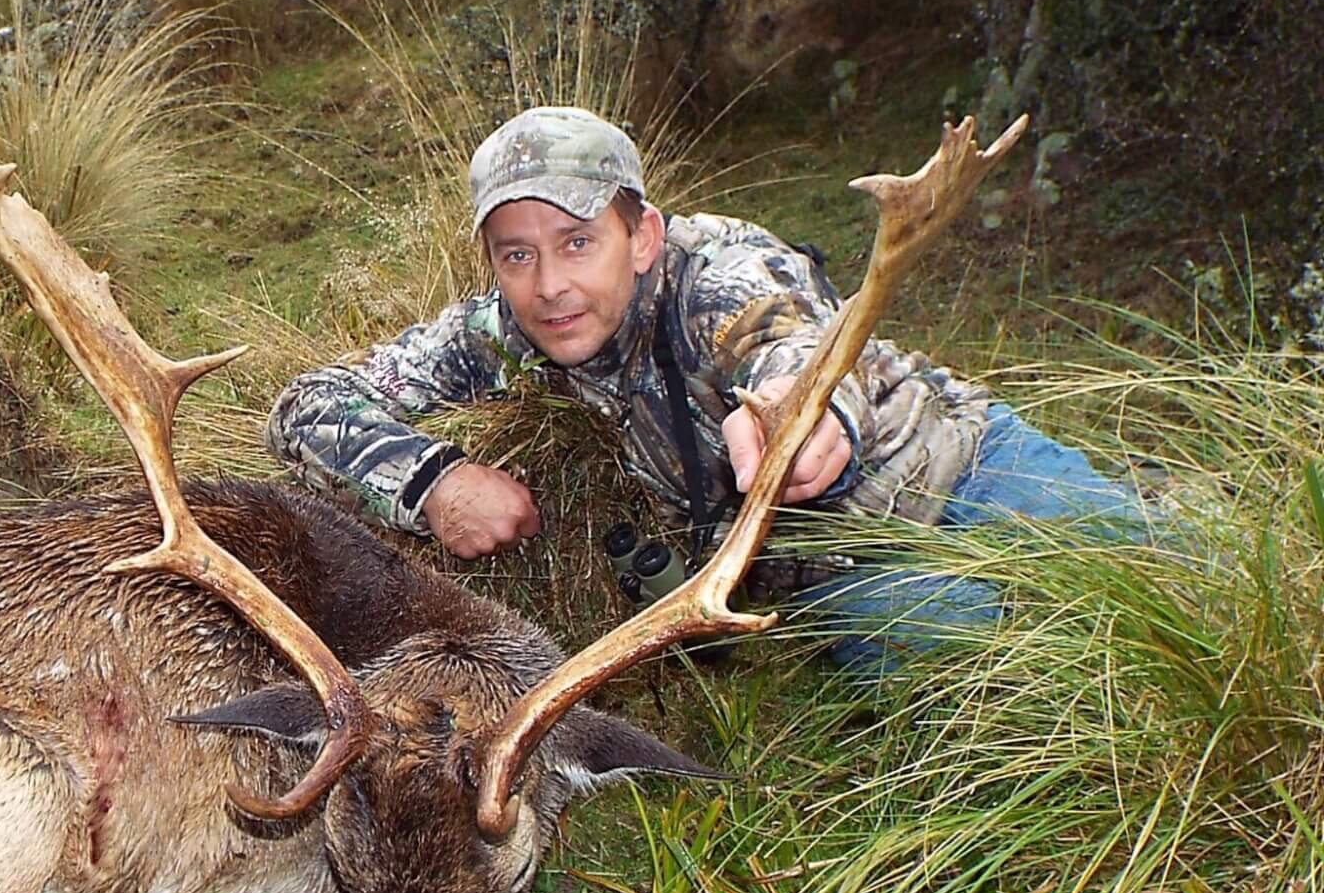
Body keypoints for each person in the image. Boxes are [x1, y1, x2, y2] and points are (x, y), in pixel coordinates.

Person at [265, 106, 1147, 673]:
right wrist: (432, 478)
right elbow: (306, 405)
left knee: (1176, 574)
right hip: (851, 573)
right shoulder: (499, 331)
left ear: (643, 235)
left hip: (966, 468)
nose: (550, 286)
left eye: (578, 242)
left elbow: (783, 336)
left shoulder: (716, 274)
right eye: (517, 254)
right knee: (1001, 672)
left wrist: (802, 414)